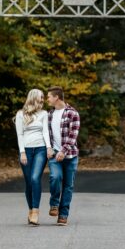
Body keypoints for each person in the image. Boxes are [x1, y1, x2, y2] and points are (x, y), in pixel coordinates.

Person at [15, 88, 52, 225]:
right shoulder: (20, 114)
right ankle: (30, 210)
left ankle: (35, 212)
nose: (43, 100)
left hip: (41, 149)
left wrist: (48, 147)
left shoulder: (44, 114)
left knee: (35, 178)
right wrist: (22, 152)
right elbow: (19, 134)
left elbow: (45, 132)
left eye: (43, 97)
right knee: (29, 182)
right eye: (41, 97)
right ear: (33, 98)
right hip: (26, 151)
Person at [46, 85, 80, 225]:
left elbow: (73, 136)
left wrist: (63, 151)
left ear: (56, 97)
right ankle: (54, 204)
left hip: (70, 156)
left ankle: (63, 215)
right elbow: (47, 135)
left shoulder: (73, 113)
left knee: (68, 185)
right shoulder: (49, 114)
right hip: (54, 155)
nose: (47, 99)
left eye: (48, 97)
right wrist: (50, 149)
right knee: (55, 177)